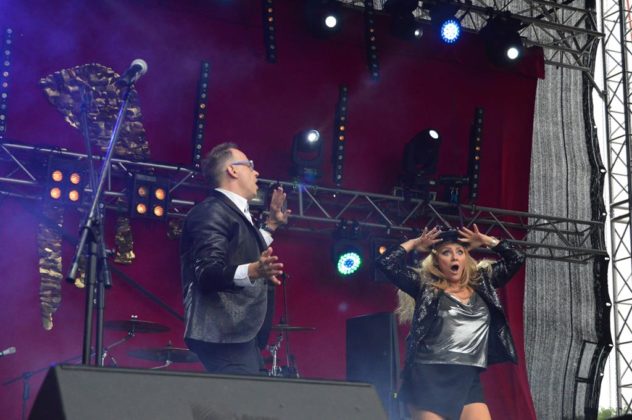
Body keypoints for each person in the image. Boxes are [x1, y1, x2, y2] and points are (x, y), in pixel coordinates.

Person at [375, 224, 525, 420]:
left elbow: (517, 258)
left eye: (460, 252)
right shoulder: (425, 287)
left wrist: (485, 240)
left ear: (466, 258)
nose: (454, 257)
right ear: (437, 261)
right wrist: (416, 243)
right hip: (427, 376)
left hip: (467, 375)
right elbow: (386, 262)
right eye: (446, 252)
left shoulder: (483, 283)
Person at [180, 142, 290, 375]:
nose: (256, 172)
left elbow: (243, 251)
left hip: (238, 335)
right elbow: (207, 273)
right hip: (222, 335)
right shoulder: (211, 211)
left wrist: (271, 226)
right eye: (250, 165)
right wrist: (252, 271)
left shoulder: (231, 212)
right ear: (232, 170)